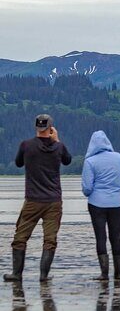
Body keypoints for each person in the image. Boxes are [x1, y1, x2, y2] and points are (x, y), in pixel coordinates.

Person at [4, 114, 72, 282]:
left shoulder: (26, 146)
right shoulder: (59, 147)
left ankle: (17, 274)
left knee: (20, 237)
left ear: (37, 127)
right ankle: (43, 276)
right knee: (50, 239)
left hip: (33, 200)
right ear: (50, 128)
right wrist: (57, 141)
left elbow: (19, 163)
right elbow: (68, 161)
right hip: (54, 201)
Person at [81, 131, 120, 281]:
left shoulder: (90, 161)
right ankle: (118, 273)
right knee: (115, 237)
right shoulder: (119, 158)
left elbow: (87, 188)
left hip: (96, 204)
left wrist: (93, 193)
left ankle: (104, 274)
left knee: (101, 237)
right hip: (117, 203)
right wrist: (117, 189)